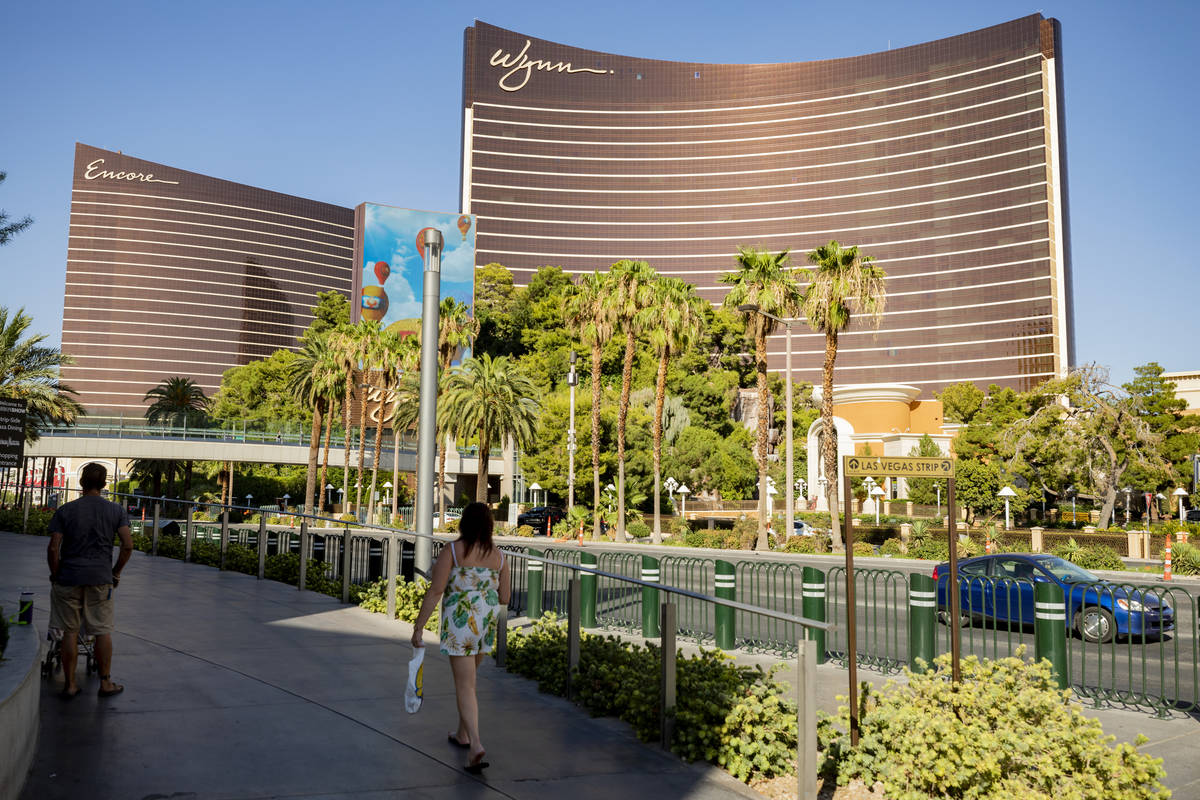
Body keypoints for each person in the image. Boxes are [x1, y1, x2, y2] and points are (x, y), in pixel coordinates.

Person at [412, 501, 510, 774]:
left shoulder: (452, 552)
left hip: (460, 629)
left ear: (463, 523)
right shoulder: (500, 557)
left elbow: (435, 592)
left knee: (465, 686)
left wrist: (418, 627)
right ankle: (463, 734)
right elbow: (505, 598)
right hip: (483, 628)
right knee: (469, 683)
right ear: (489, 526)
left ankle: (475, 745)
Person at [46, 462, 134, 699]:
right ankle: (105, 684)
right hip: (100, 578)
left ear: (82, 482)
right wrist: (115, 572)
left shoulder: (65, 510)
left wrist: (56, 574)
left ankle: (70, 684)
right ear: (104, 484)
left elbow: (54, 547)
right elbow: (128, 545)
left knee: (70, 631)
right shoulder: (116, 511)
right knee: (102, 630)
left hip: (69, 577)